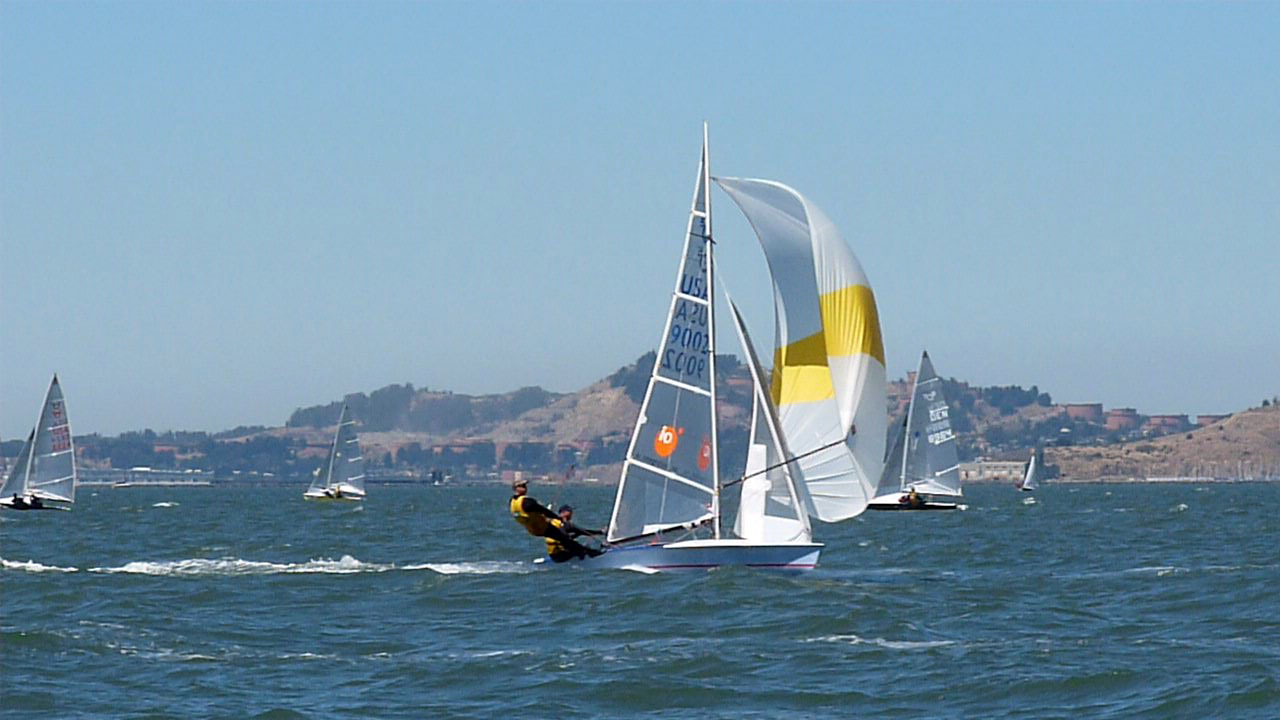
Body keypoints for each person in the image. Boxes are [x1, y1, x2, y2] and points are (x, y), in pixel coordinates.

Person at [509, 479, 602, 561]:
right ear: (516, 488)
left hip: (533, 530)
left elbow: (533, 512)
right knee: (564, 538)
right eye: (523, 486)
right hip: (542, 527)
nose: (525, 488)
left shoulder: (512, 502)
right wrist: (558, 518)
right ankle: (588, 553)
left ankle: (582, 551)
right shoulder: (527, 502)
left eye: (525, 486)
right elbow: (543, 511)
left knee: (564, 537)